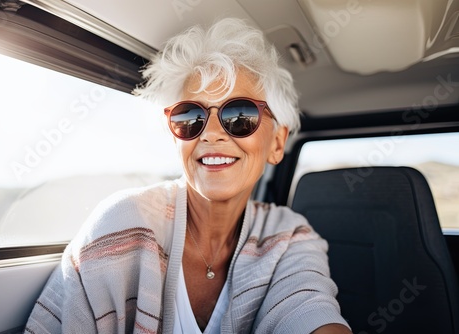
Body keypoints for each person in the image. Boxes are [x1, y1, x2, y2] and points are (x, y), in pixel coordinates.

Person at [25, 18, 351, 334]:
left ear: (277, 142)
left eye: (240, 115)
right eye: (191, 117)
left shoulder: (289, 237)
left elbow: (307, 309)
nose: (210, 134)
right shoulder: (121, 226)